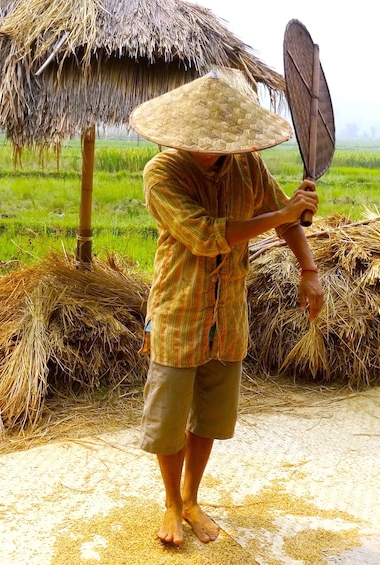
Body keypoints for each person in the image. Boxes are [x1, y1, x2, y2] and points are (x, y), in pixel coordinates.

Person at [128, 70, 325, 546]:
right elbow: (205, 236)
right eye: (214, 139)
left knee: (211, 418)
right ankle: (172, 505)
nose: (223, 147)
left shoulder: (247, 167)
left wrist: (309, 269)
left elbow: (286, 218)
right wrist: (280, 214)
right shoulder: (162, 174)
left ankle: (193, 499)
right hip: (179, 309)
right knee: (170, 418)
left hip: (228, 313)